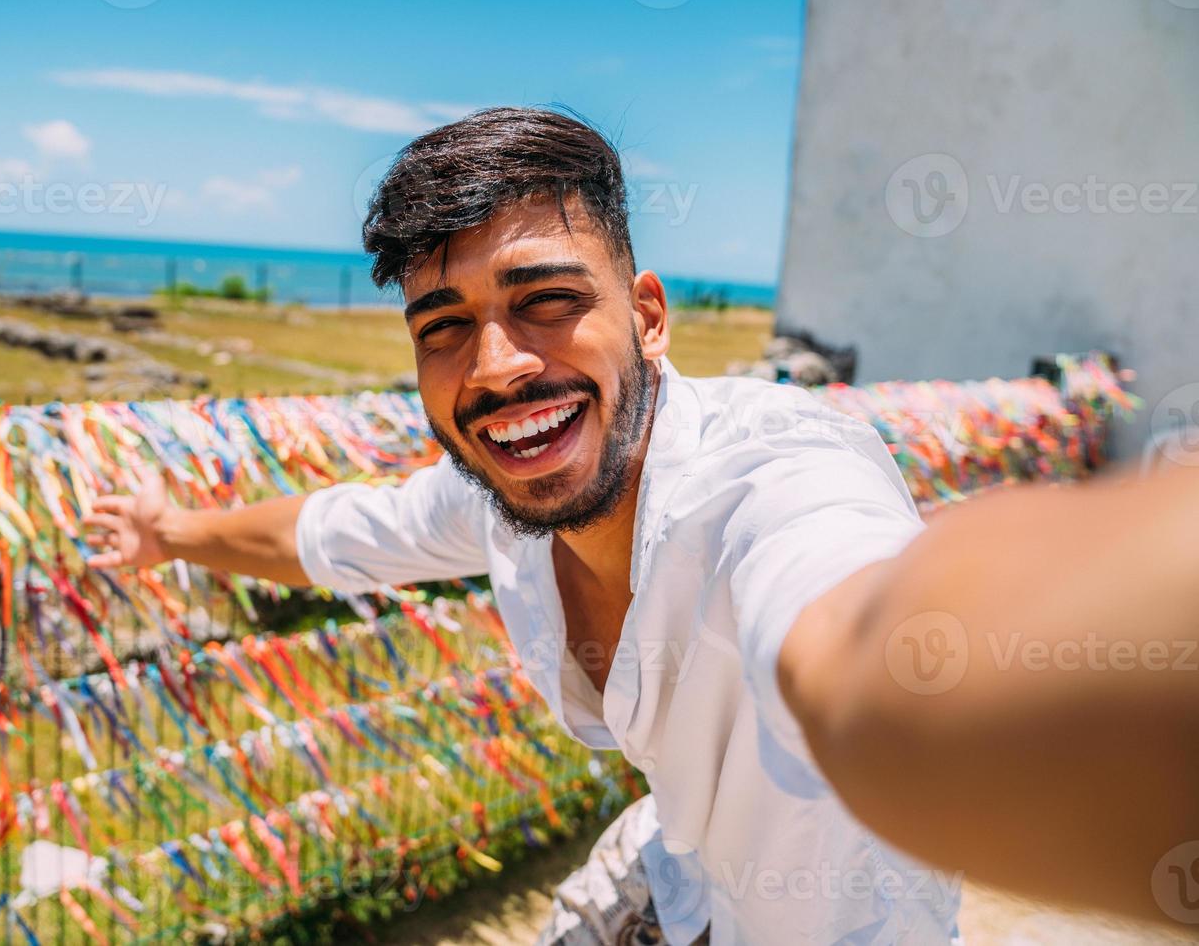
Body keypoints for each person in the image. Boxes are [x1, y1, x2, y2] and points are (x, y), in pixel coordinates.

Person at [83, 107, 1199, 943]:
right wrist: (172, 527)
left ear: (649, 316)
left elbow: (861, 627)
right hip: (681, 869)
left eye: (548, 301)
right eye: (445, 326)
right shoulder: (503, 496)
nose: (500, 367)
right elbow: (336, 529)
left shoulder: (773, 476)